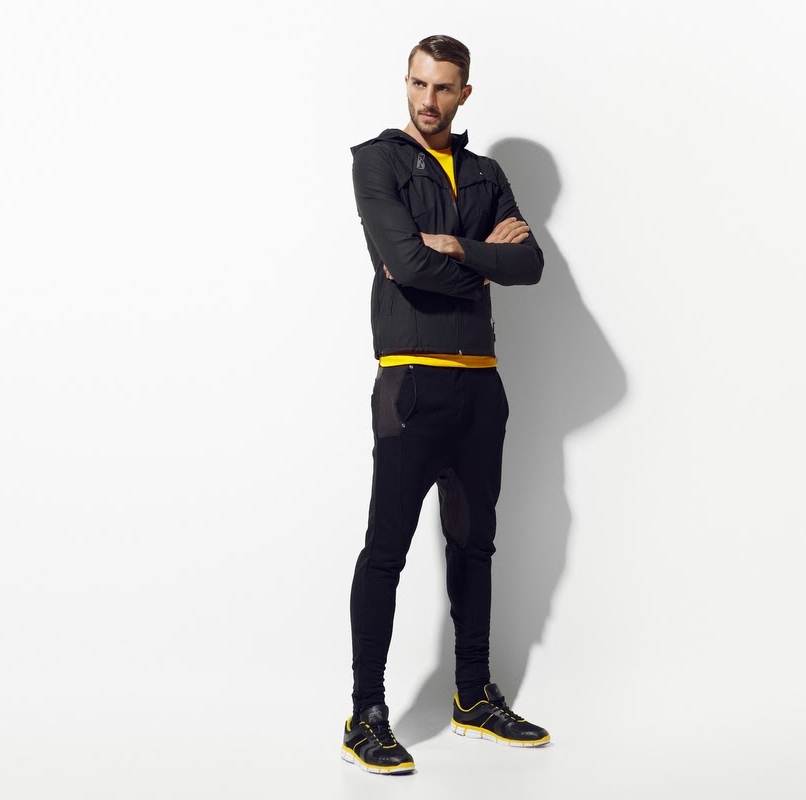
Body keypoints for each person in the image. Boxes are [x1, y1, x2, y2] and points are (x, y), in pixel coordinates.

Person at [340, 34, 550, 776]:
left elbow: (531, 262)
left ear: (465, 93)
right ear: (407, 82)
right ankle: (366, 714)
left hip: (481, 386)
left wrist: (459, 250)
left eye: (443, 88)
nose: (428, 101)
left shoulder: (486, 173)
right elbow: (401, 261)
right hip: (411, 384)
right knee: (386, 550)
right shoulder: (377, 161)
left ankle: (472, 694)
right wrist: (485, 261)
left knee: (474, 544)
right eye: (419, 84)